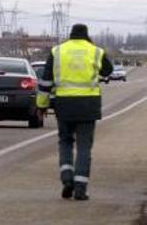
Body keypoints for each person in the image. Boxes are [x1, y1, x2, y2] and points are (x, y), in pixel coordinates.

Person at [37, 23, 113, 201]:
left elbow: (46, 82)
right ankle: (80, 188)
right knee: (84, 147)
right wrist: (96, 75)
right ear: (87, 36)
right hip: (88, 105)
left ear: (70, 35)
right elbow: (108, 70)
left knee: (65, 142)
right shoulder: (95, 51)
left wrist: (41, 106)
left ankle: (66, 180)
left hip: (64, 105)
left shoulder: (58, 51)